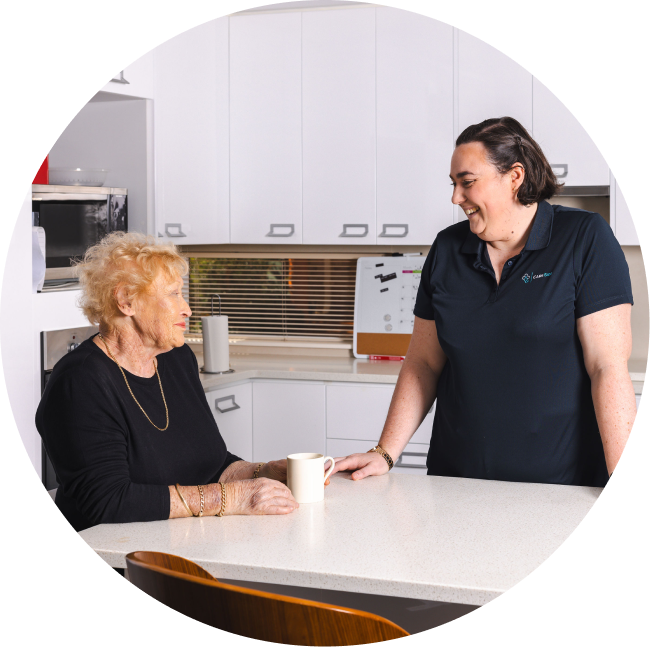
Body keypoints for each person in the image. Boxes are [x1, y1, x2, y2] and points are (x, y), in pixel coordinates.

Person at [331, 117, 635, 487]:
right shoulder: (447, 249)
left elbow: (607, 367)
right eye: (454, 184)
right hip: (455, 483)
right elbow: (423, 362)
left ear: (515, 176)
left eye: (467, 182)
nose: (456, 197)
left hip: (559, 486)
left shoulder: (585, 239)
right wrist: (384, 452)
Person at [36, 232, 300, 532]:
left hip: (183, 537)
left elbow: (210, 463)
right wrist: (232, 497)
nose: (187, 308)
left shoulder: (176, 359)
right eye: (173, 294)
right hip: (118, 552)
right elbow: (106, 500)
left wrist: (261, 472)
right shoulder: (80, 382)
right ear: (126, 301)